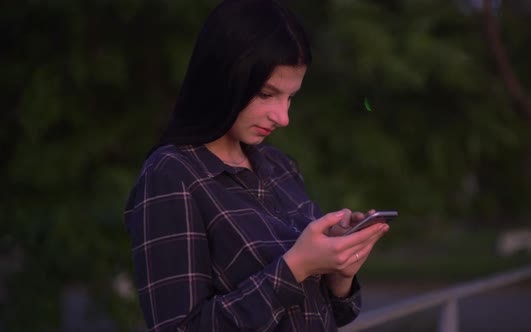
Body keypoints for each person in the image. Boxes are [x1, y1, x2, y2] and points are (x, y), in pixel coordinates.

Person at [124, 1, 389, 331]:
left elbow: (333, 314)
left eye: (290, 98)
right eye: (267, 94)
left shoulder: (280, 167)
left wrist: (339, 270)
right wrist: (296, 267)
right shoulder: (171, 175)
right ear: (224, 77)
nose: (283, 117)